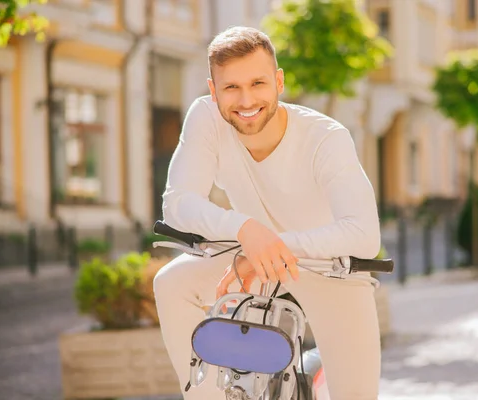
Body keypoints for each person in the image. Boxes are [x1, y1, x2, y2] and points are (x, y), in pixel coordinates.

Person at [153, 26, 382, 400]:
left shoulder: (326, 137)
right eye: (231, 88)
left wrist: (265, 250)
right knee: (171, 283)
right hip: (248, 260)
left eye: (258, 83)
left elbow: (363, 233)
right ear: (213, 91)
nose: (246, 100)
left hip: (330, 270)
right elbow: (177, 203)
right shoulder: (206, 117)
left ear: (278, 82)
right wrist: (245, 230)